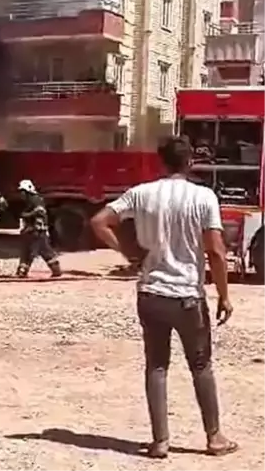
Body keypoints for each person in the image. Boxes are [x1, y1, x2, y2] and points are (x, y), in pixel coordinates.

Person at [90, 136, 237, 459]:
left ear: (162, 162)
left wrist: (129, 252)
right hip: (187, 296)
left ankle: (160, 441)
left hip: (151, 293)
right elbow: (215, 250)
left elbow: (99, 221)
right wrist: (224, 295)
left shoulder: (142, 193)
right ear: (189, 163)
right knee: (201, 366)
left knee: (157, 367)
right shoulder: (203, 197)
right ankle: (214, 437)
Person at [15, 179, 62, 278]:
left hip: (37, 231)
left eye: (22, 192)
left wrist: (26, 216)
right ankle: (23, 271)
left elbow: (40, 212)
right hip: (33, 230)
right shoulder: (30, 200)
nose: (21, 194)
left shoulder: (35, 200)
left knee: (42, 251)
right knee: (32, 251)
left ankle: (56, 270)